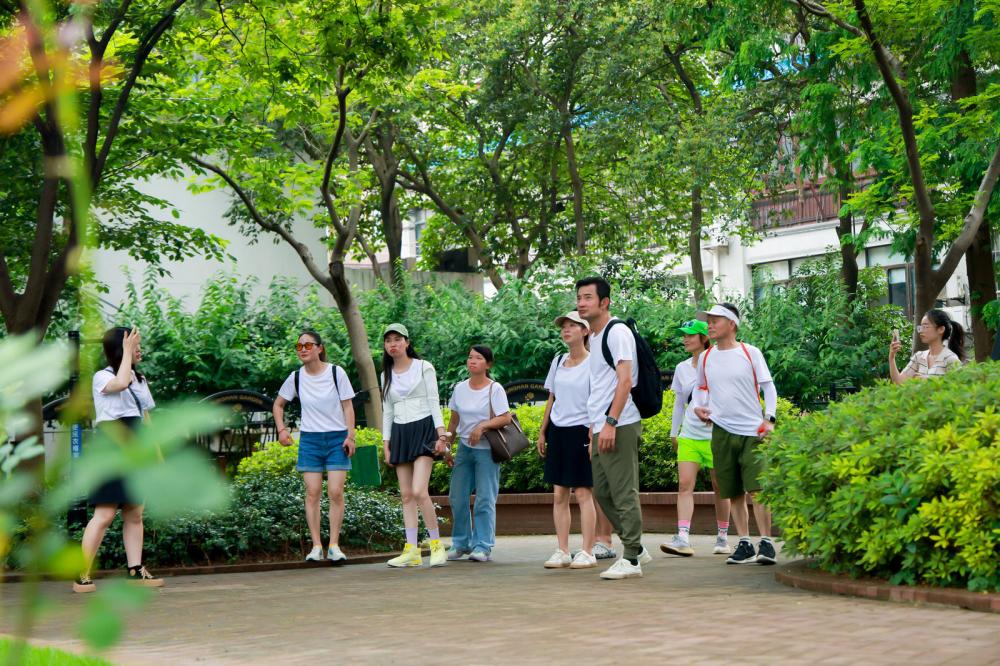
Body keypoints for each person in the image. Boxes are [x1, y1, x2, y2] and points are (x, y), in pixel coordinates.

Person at [575, 276, 653, 580]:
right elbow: (600, 385)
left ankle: (631, 558)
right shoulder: (593, 338)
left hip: (619, 423)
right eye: (579, 298)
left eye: (588, 298)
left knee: (623, 492)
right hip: (600, 425)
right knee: (604, 493)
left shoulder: (617, 332)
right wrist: (594, 425)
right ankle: (637, 547)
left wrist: (610, 421)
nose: (581, 303)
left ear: (604, 302)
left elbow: (625, 381)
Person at [75, 327, 162, 593]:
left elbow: (146, 418)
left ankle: (135, 570)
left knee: (135, 512)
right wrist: (126, 353)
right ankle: (82, 573)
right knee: (105, 513)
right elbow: (120, 383)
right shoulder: (103, 377)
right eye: (134, 344)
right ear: (120, 347)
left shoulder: (140, 379)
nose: (139, 349)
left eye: (138, 344)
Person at [693, 304, 778, 565]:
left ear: (732, 323)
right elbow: (700, 390)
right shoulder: (706, 357)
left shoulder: (750, 352)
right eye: (709, 320)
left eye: (715, 320)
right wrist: (699, 408)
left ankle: (766, 543)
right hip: (721, 431)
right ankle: (744, 543)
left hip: (753, 431)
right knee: (733, 491)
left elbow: (769, 388)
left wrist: (770, 419)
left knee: (758, 489)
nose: (709, 324)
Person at [273, 330, 357, 563]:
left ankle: (334, 545)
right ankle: (316, 546)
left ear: (320, 348)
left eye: (308, 345)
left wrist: (351, 436)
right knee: (312, 492)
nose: (303, 350)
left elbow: (348, 407)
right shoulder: (296, 377)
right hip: (309, 439)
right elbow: (278, 405)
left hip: (336, 438)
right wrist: (282, 430)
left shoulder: (335, 372)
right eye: (299, 346)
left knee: (335, 491)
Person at [660, 319, 732, 557]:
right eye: (684, 335)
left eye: (690, 335)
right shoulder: (681, 368)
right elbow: (679, 404)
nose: (685, 339)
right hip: (689, 434)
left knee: (720, 487)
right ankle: (682, 537)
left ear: (704, 338)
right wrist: (674, 432)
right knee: (684, 485)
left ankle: (722, 537)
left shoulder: (719, 363)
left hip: (716, 436)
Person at [378, 323, 449, 568]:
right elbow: (387, 411)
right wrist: (386, 443)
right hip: (400, 432)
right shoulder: (385, 374)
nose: (393, 344)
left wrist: (442, 436)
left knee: (420, 491)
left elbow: (433, 401)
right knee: (406, 495)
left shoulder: (423, 367)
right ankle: (411, 550)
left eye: (398, 339)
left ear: (407, 342)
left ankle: (437, 545)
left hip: (424, 429)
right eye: (389, 341)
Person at [537, 311, 598, 569]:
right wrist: (543, 431)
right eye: (564, 326)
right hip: (559, 431)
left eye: (573, 325)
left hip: (582, 429)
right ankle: (562, 550)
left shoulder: (594, 362)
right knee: (559, 493)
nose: (566, 329)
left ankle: (588, 550)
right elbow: (552, 398)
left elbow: (599, 398)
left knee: (584, 492)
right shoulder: (558, 360)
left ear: (585, 331)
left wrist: (594, 432)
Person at [440, 345, 512, 562]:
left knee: (484, 499)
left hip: (487, 450)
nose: (472, 361)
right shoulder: (460, 388)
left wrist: (482, 427)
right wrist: (447, 446)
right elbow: (454, 420)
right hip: (464, 449)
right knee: (457, 497)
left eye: (478, 358)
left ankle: (483, 546)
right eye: (470, 357)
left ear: (488, 364)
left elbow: (505, 417)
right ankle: (461, 543)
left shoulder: (494, 388)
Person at [890, 309, 966, 383]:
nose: (921, 331)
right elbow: (899, 382)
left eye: (925, 326)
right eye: (920, 327)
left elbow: (960, 389)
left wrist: (931, 381)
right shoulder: (919, 357)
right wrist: (892, 356)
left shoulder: (950, 359)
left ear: (941, 329)